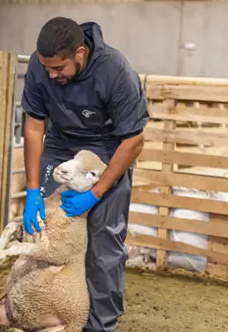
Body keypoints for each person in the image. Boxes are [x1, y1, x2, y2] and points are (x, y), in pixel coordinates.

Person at [20, 17, 149, 331]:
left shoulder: (115, 71)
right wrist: (33, 189)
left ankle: (100, 325)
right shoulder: (41, 66)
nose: (51, 74)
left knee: (103, 243)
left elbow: (134, 140)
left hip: (106, 149)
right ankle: (41, 317)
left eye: (58, 69)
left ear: (80, 53)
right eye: (46, 67)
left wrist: (96, 192)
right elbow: (35, 125)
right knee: (45, 231)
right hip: (61, 141)